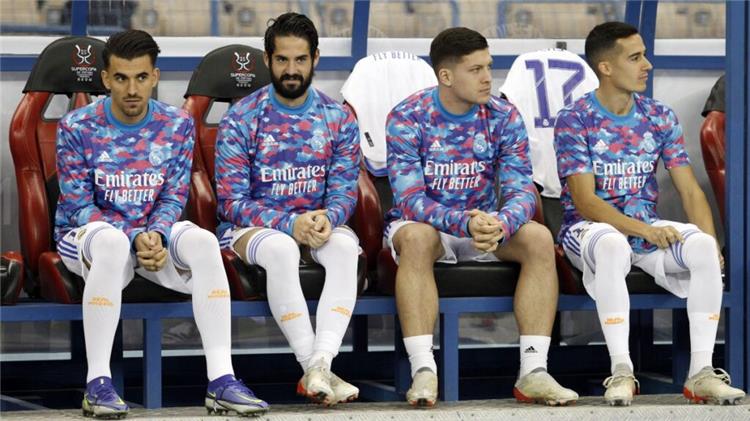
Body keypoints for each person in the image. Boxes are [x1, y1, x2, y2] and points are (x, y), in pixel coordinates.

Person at [54, 29, 268, 418]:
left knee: (203, 242)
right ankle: (97, 384)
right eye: (121, 78)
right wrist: (136, 235)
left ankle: (221, 380)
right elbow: (78, 206)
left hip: (152, 235)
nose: (131, 89)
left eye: (141, 77)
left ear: (154, 76)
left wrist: (155, 233)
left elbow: (173, 197)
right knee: (111, 243)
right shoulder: (76, 127)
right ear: (105, 79)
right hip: (87, 238)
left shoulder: (177, 125)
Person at [554, 21, 745, 406]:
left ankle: (701, 373)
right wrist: (645, 230)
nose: (647, 65)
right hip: (588, 230)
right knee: (611, 244)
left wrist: (711, 244)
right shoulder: (575, 119)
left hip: (645, 230)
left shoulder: (659, 116)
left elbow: (689, 190)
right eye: (636, 58)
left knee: (702, 247)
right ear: (606, 67)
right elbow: (586, 201)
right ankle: (622, 371)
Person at [385, 27, 578, 408]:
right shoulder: (407, 116)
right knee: (418, 237)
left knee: (539, 238)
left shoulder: (504, 115)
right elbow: (410, 199)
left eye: (489, 67)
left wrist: (503, 223)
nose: (488, 78)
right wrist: (464, 223)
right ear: (445, 76)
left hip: (486, 228)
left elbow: (522, 189)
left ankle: (534, 372)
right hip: (430, 227)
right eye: (475, 70)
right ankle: (424, 370)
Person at [215, 12, 361, 407]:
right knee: (280, 248)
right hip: (252, 230)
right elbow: (230, 202)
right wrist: (288, 224)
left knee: (345, 246)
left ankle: (320, 365)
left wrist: (328, 217)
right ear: (267, 60)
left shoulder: (337, 118)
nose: (291, 70)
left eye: (300, 59)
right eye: (282, 59)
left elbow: (345, 194)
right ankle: (312, 366)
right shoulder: (241, 118)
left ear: (315, 58)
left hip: (317, 224)